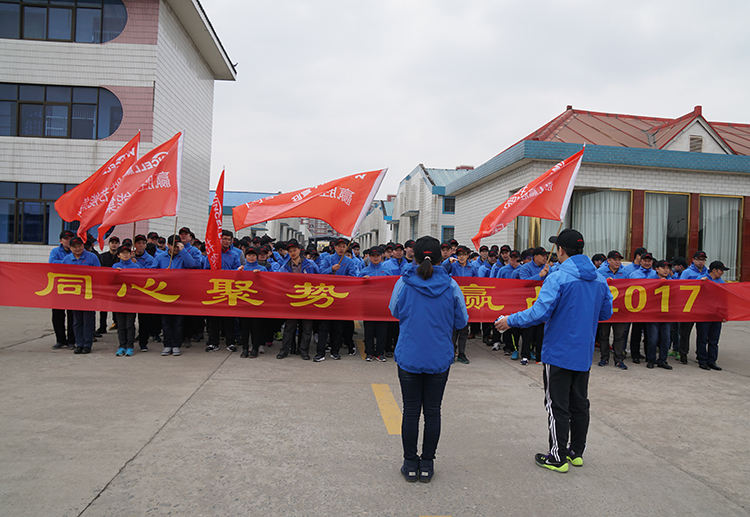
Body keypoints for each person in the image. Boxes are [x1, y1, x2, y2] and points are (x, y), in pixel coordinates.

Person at [496, 229, 613, 473]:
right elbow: (605, 314)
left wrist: (511, 320)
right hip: (583, 352)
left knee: (556, 405)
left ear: (560, 250)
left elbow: (539, 313)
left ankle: (557, 457)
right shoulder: (600, 279)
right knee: (579, 403)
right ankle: (576, 452)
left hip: (559, 351)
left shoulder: (559, 278)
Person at [389, 236, 469, 483]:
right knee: (433, 412)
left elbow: (394, 311)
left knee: (411, 412)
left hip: (410, 356)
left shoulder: (404, 283)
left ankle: (410, 463)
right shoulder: (452, 285)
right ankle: (427, 465)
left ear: (414, 255)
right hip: (439, 357)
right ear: (440, 257)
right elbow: (462, 321)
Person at [153, 234, 198, 356]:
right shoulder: (160, 257)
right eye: (174, 246)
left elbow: (193, 265)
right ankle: (167, 345)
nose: (176, 248)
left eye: (178, 245)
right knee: (166, 322)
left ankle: (177, 345)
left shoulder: (183, 256)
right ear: (168, 245)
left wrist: (183, 251)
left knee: (178, 322)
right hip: (164, 294)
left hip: (180, 294)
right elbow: (152, 272)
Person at [276, 239, 318, 360]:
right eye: (290, 251)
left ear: (299, 250)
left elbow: (320, 278)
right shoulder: (285, 267)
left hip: (307, 301)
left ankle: (303, 351)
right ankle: (284, 350)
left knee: (307, 328)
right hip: (292, 302)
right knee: (289, 328)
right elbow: (278, 281)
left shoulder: (310, 264)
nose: (293, 253)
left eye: (295, 250)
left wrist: (331, 270)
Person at [62, 236, 101, 354]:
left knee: (88, 319)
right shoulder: (67, 259)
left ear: (83, 246)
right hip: (74, 294)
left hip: (89, 293)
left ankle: (87, 344)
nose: (77, 248)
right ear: (70, 247)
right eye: (74, 246)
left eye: (80, 246)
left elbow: (99, 274)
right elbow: (63, 276)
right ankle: (78, 344)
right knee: (77, 320)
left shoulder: (92, 257)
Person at [359, 246, 399, 361]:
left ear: (382, 256)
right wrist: (363, 281)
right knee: (369, 330)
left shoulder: (387, 271)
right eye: (373, 256)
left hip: (383, 305)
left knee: (382, 330)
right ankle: (369, 353)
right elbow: (357, 287)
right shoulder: (364, 271)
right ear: (369, 257)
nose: (375, 258)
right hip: (369, 305)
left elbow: (392, 286)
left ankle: (380, 353)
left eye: (377, 255)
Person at [442, 244, 476, 364]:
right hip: (453, 300)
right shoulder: (453, 266)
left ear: (467, 255)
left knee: (463, 329)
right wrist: (448, 261)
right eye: (459, 255)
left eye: (464, 255)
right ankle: (451, 353)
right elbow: (442, 270)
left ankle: (462, 353)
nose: (461, 257)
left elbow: (478, 283)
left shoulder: (473, 268)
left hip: (467, 302)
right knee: (452, 330)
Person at [596, 250, 628, 369]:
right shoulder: (600, 272)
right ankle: (604, 358)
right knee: (604, 335)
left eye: (619, 259)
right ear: (608, 260)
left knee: (619, 336)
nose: (617, 262)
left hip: (620, 310)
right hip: (605, 309)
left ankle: (619, 359)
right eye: (615, 259)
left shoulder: (625, 273)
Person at [696, 261, 728, 371]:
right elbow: (692, 286)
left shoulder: (721, 282)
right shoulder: (702, 278)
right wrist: (701, 282)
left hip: (716, 314)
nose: (722, 273)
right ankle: (702, 360)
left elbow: (724, 300)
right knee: (702, 338)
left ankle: (712, 360)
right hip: (704, 314)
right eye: (720, 270)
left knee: (714, 340)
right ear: (714, 270)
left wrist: (724, 314)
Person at [678, 251, 708, 365]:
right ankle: (683, 353)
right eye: (699, 259)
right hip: (689, 306)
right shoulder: (687, 272)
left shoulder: (708, 272)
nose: (701, 262)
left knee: (702, 333)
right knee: (685, 332)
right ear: (694, 260)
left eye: (703, 259)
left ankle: (700, 354)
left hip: (702, 307)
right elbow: (681, 288)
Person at [111, 245, 142, 356]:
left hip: (131, 300)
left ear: (131, 254)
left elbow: (141, 281)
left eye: (127, 252)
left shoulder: (136, 267)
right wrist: (115, 274)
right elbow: (110, 282)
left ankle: (130, 346)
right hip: (119, 300)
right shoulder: (115, 266)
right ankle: (121, 345)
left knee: (130, 324)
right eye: (122, 253)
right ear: (118, 255)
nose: (125, 255)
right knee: (121, 325)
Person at [49, 229, 75, 350]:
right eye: (66, 239)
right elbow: (53, 264)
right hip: (58, 287)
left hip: (73, 287)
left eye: (70, 238)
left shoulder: (77, 251)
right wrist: (69, 263)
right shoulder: (55, 251)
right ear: (61, 241)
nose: (68, 241)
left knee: (72, 315)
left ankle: (71, 340)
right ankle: (60, 340)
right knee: (58, 315)